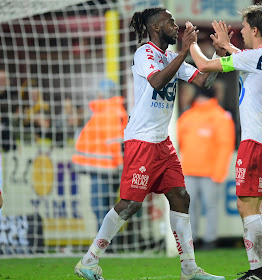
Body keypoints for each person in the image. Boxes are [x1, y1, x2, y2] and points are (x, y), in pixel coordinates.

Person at [74, 6, 226, 280]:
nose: (175, 26)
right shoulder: (144, 53)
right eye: (170, 22)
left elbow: (203, 80)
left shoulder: (170, 56)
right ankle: (88, 261)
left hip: (162, 142)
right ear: (156, 27)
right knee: (130, 204)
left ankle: (189, 269)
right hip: (141, 140)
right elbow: (156, 81)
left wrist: (219, 54)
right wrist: (183, 52)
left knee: (180, 196)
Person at [188, 3, 262, 279]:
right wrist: (228, 47)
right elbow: (248, 59)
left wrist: (192, 44)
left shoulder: (251, 57)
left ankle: (259, 271)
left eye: (243, 28)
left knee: (246, 205)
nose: (240, 32)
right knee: (254, 206)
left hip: (255, 140)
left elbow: (205, 65)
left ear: (254, 29)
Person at [177, 85, 235, 250]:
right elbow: (177, 140)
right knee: (193, 207)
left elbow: (225, 147)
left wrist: (219, 172)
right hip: (189, 170)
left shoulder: (219, 116)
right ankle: (194, 239)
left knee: (208, 207)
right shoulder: (189, 115)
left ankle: (209, 239)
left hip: (208, 172)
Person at [72, 79, 127, 230]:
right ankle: (108, 243)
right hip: (105, 168)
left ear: (102, 93)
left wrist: (120, 167)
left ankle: (105, 243)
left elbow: (114, 142)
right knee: (105, 207)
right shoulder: (111, 111)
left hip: (105, 170)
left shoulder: (109, 112)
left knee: (99, 206)